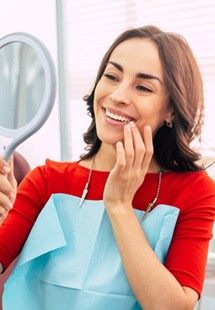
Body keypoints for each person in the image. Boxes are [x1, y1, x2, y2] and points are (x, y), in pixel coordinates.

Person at [0, 25, 215, 310]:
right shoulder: (47, 180)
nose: (118, 95)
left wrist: (119, 204)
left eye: (143, 87)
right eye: (112, 76)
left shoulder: (195, 191)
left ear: (171, 110)